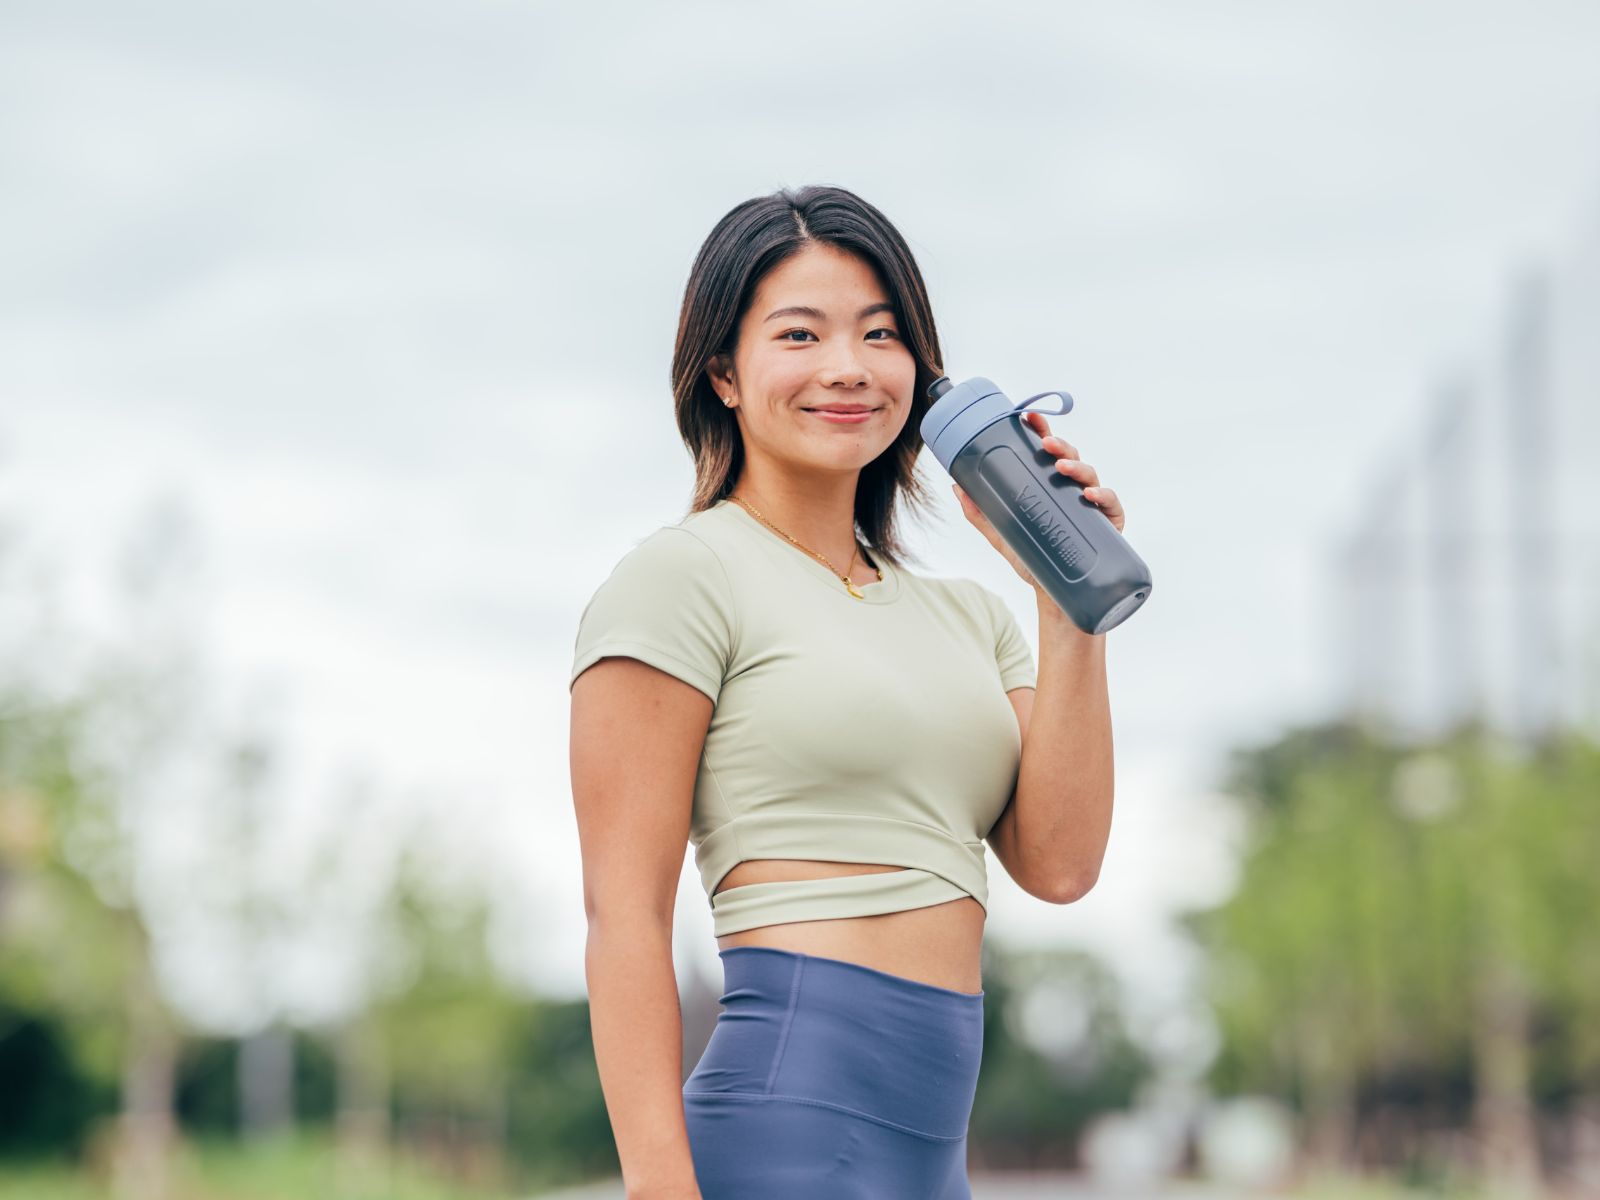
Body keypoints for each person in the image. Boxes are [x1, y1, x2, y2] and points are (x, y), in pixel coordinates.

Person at [568, 184, 1124, 1199]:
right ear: (723, 374)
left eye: (880, 333)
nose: (848, 367)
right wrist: (658, 1187)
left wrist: (1065, 603)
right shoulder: (684, 578)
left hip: (932, 1161)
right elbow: (625, 915)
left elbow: (1060, 866)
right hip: (781, 1137)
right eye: (799, 334)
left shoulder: (971, 617)